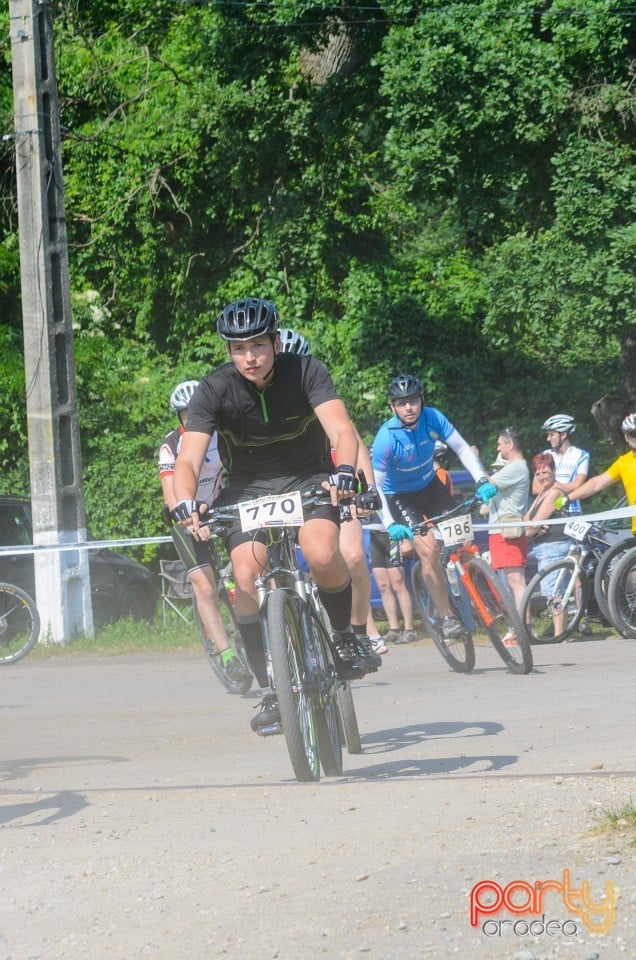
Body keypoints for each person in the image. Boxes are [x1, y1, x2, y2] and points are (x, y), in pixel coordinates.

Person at [171, 298, 379, 735]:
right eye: (239, 348)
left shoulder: (306, 371)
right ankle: (271, 686)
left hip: (309, 477)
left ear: (275, 341)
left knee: (322, 553)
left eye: (259, 346)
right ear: (228, 351)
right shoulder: (214, 389)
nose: (250, 357)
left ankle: (343, 635)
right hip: (246, 488)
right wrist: (187, 501)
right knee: (245, 575)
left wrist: (345, 470)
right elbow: (188, 459)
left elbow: (341, 428)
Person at [278, 328, 384, 665]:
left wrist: (365, 486)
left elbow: (351, 441)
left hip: (337, 486)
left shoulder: (322, 397)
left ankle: (357, 632)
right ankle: (280, 643)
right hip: (288, 490)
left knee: (353, 557)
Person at [371, 374, 496, 640]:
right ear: (393, 407)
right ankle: (446, 615)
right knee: (429, 552)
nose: (409, 408)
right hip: (400, 496)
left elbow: (462, 448)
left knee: (464, 541)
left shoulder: (433, 417)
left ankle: (478, 590)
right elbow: (376, 486)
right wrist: (390, 523)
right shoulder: (386, 438)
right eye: (402, 403)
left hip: (431, 487)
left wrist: (482, 479)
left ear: (421, 401)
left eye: (413, 401)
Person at [159, 381, 251, 686]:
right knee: (204, 584)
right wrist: (188, 519)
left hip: (218, 508)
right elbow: (171, 493)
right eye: (186, 413)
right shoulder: (171, 446)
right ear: (180, 417)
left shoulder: (223, 438)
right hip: (184, 516)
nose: (192, 417)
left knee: (249, 565)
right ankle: (227, 656)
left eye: (197, 411)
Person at [555, 413, 636, 535]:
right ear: (626, 437)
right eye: (633, 434)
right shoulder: (624, 462)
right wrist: (568, 498)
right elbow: (596, 483)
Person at [523, 453, 571, 637]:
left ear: (554, 471)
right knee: (554, 591)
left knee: (554, 593)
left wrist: (530, 528)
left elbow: (531, 526)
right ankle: (561, 634)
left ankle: (560, 636)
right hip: (546, 547)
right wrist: (531, 526)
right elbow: (527, 519)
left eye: (546, 472)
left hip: (554, 545)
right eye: (538, 473)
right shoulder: (543, 493)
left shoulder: (555, 492)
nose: (542, 476)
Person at [486, 426, 530, 617]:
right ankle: (520, 626)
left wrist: (473, 461)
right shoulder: (514, 468)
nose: (498, 449)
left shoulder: (516, 467)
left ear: (510, 444)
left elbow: (487, 483)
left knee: (515, 582)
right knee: (510, 582)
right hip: (501, 530)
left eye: (499, 444)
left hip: (507, 531)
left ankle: (524, 627)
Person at [367, 516, 417, 644]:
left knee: (398, 584)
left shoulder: (384, 495)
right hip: (374, 537)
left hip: (392, 536)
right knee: (382, 585)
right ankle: (394, 629)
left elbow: (396, 512)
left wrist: (405, 540)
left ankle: (409, 629)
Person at [538, 414, 590, 514]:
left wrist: (553, 493)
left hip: (572, 511)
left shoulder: (581, 455)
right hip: (547, 511)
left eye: (551, 434)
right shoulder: (545, 455)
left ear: (563, 435)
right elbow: (536, 488)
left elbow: (577, 485)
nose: (548, 439)